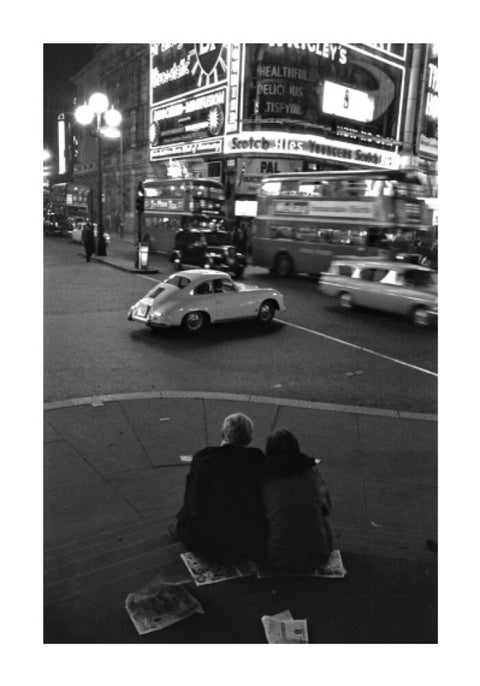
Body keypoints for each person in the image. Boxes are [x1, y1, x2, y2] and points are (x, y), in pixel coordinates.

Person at [174, 413, 267, 561]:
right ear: (249, 439)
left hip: (199, 539)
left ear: (223, 433)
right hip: (243, 542)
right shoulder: (256, 458)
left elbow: (191, 497)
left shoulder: (203, 457)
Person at [262, 429, 333, 573]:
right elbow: (327, 506)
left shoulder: (264, 476)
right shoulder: (312, 472)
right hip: (318, 554)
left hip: (278, 558)